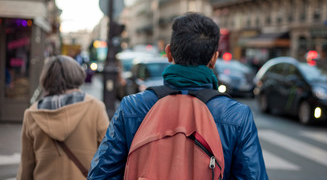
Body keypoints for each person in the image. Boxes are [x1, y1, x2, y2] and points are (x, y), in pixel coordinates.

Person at [88, 12, 268, 180]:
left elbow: (101, 174)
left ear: (168, 53)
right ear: (214, 59)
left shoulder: (132, 106)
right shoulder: (237, 115)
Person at [17, 55, 109, 180]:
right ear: (76, 75)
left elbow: (26, 165)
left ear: (46, 78)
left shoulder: (32, 114)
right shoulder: (95, 108)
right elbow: (108, 156)